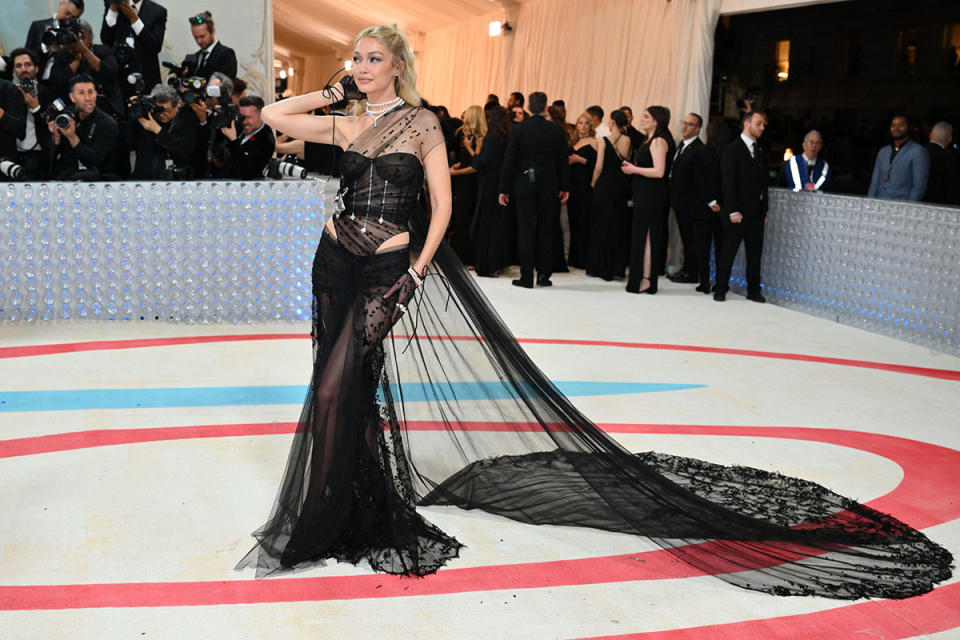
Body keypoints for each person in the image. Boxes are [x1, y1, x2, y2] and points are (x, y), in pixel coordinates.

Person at [236, 23, 952, 602]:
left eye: (373, 58)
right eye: (355, 58)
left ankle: (321, 515)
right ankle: (352, 508)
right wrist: (332, 90)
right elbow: (272, 114)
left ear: (399, 65)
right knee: (340, 385)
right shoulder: (348, 119)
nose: (361, 66)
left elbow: (446, 206)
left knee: (337, 383)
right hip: (332, 264)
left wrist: (416, 277)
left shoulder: (423, 122)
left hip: (388, 270)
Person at [498, 91, 570, 288]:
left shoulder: (520, 130)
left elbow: (510, 160)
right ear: (546, 107)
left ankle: (527, 276)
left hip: (524, 184)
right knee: (547, 229)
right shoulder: (556, 131)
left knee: (526, 230)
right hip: (549, 186)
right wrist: (565, 186)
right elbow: (562, 161)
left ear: (529, 107)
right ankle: (544, 275)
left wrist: (503, 188)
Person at [714, 110, 768, 303]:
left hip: (756, 213)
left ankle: (754, 290)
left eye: (763, 124)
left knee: (755, 254)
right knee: (728, 251)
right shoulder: (732, 149)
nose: (762, 127)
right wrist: (733, 210)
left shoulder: (760, 150)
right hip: (736, 212)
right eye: (759, 123)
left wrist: (765, 209)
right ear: (747, 124)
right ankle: (720, 288)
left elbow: (763, 183)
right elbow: (728, 182)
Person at [621, 106, 674, 294]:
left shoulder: (659, 141)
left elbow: (659, 172)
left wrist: (634, 170)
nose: (642, 120)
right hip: (646, 193)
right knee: (644, 237)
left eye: (646, 117)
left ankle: (646, 279)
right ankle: (644, 278)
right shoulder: (649, 140)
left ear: (656, 121)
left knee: (648, 237)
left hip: (652, 194)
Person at [668, 113, 718, 289]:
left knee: (692, 240)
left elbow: (702, 179)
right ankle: (686, 268)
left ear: (698, 129)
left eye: (689, 124)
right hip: (680, 203)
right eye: (684, 123)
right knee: (685, 238)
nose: (684, 127)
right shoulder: (681, 145)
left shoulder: (700, 149)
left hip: (692, 205)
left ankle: (692, 272)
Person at [48, 19, 125, 118]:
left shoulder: (103, 51)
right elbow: (57, 84)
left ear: (91, 37)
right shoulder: (62, 56)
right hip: (73, 110)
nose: (76, 42)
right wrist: (76, 60)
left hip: (106, 107)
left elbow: (109, 73)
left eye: (82, 37)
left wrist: (84, 51)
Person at [586, 109, 630, 281]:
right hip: (620, 185)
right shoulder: (627, 140)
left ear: (611, 122)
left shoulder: (603, 141)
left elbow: (599, 167)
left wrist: (593, 183)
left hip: (604, 185)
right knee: (616, 225)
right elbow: (625, 162)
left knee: (600, 224)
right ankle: (616, 267)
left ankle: (599, 266)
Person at [49, 73, 119, 179]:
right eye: (81, 93)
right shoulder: (65, 117)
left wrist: (72, 138)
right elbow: (53, 160)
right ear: (72, 97)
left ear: (96, 94)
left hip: (99, 181)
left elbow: (95, 161)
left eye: (91, 92)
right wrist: (56, 140)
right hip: (68, 178)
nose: (87, 98)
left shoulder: (108, 124)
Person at [470, 105, 511, 277]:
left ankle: (486, 264)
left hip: (488, 187)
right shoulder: (508, 137)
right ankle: (498, 263)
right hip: (503, 186)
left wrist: (472, 150)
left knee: (485, 225)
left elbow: (479, 163)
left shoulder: (491, 138)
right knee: (499, 226)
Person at [128, 83, 197, 178]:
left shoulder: (187, 120)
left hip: (175, 179)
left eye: (167, 111)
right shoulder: (146, 118)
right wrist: (135, 113)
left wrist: (158, 131)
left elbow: (184, 152)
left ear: (177, 106)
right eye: (158, 110)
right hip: (144, 179)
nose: (162, 115)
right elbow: (128, 143)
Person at [100, 0, 168, 95]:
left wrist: (134, 19)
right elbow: (106, 39)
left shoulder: (157, 11)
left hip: (145, 77)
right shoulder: (114, 5)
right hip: (119, 76)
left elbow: (155, 46)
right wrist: (113, 9)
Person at [8, 48, 56, 179]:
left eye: (28, 65)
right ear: (13, 70)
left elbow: (54, 127)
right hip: (13, 155)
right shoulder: (8, 93)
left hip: (39, 154)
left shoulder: (48, 93)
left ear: (36, 68)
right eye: (18, 66)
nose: (24, 69)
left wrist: (36, 108)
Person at [448, 105, 484, 264]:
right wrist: (458, 165)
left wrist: (456, 172)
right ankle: (460, 257)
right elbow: (466, 161)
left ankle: (466, 258)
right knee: (461, 219)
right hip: (465, 182)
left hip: (471, 182)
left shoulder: (481, 138)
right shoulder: (462, 134)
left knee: (466, 220)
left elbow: (476, 165)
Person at [867, 114, 929, 201]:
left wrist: (909, 207)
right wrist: (869, 203)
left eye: (901, 125)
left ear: (909, 127)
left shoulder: (918, 151)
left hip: (902, 204)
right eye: (893, 125)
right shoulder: (883, 151)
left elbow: (919, 186)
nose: (896, 128)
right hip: (880, 202)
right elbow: (874, 181)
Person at [566, 112, 597, 270]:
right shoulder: (575, 141)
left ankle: (584, 258)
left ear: (591, 126)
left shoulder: (594, 142)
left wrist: (579, 160)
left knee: (584, 221)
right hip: (573, 186)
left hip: (585, 186)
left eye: (586, 123)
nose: (583, 126)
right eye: (580, 123)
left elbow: (598, 165)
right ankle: (574, 257)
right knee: (573, 221)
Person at [24, 0, 85, 79]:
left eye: (73, 18)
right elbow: (27, 55)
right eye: (67, 13)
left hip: (64, 81)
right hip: (39, 79)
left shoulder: (77, 33)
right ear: (60, 4)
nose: (68, 19)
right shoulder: (38, 26)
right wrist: (46, 44)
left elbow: (79, 61)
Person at [219, 95, 275, 180]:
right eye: (241, 117)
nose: (244, 121)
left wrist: (233, 140)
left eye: (248, 117)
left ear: (261, 116)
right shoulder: (238, 126)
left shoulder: (266, 139)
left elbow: (247, 172)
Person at [179, 11, 237, 81]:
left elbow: (226, 85)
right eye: (195, 37)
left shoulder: (226, 54)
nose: (198, 41)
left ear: (212, 31)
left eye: (202, 36)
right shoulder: (196, 56)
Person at [924, 121, 956, 205]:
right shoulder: (949, 159)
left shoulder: (919, 152)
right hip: (940, 205)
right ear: (950, 138)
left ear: (930, 135)